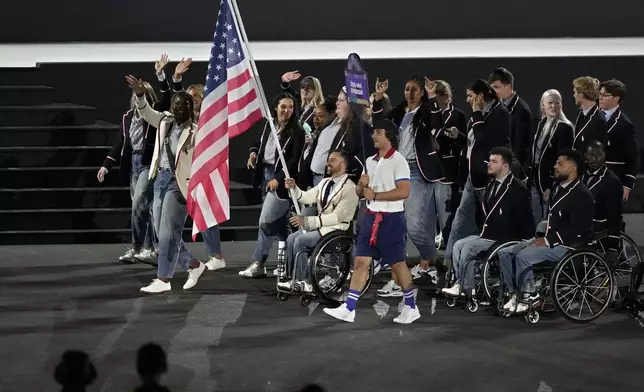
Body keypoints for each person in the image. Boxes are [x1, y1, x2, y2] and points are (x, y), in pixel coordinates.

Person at [323, 120, 419, 324]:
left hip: (391, 221)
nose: (373, 136)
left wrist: (375, 195)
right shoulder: (369, 161)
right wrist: (361, 186)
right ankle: (349, 308)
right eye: (374, 132)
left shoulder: (399, 161)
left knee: (397, 264)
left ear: (389, 137)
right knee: (360, 262)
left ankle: (411, 307)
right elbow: (360, 192)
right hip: (369, 218)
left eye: (378, 132)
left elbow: (404, 192)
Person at [125, 75, 207, 294]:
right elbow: (145, 111)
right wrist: (140, 94)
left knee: (169, 233)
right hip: (159, 180)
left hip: (178, 184)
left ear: (191, 108)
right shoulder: (164, 121)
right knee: (163, 235)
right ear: (172, 107)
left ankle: (163, 278)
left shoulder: (197, 131)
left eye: (186, 105)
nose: (181, 108)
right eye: (177, 105)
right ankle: (194, 265)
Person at [497, 149, 594, 313]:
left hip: (568, 246)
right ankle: (516, 292)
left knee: (523, 257)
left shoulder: (582, 194)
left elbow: (578, 229)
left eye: (560, 163)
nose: (555, 166)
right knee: (505, 253)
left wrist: (548, 240)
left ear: (572, 168)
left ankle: (530, 295)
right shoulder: (558, 188)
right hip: (550, 239)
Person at [371, 75, 444, 277]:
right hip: (397, 170)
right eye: (406, 89)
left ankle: (437, 261)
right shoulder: (400, 112)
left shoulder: (426, 110)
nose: (409, 93)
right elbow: (380, 123)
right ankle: (400, 273)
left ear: (421, 92)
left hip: (417, 171)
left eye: (414, 89)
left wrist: (431, 97)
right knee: (394, 224)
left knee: (413, 226)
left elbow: (437, 123)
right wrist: (378, 97)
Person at [441, 79, 511, 288]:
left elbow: (485, 143)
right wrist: (460, 137)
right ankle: (452, 272)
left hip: (488, 179)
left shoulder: (499, 113)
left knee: (488, 228)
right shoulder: (479, 114)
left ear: (481, 96)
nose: (468, 99)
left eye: (471, 95)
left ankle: (490, 275)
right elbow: (474, 143)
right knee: (459, 224)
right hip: (473, 178)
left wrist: (477, 112)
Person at [442, 147, 534, 297]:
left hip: (505, 238)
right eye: (489, 161)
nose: (489, 164)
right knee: (458, 244)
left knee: (469, 248)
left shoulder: (518, 189)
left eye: (494, 161)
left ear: (505, 166)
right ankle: (461, 282)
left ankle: (467, 287)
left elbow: (527, 219)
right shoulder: (491, 185)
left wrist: (525, 241)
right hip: (488, 233)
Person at [240, 92, 305, 278]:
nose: (287, 111)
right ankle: (287, 263)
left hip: (281, 181)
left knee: (266, 222)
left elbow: (294, 159)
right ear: (276, 107)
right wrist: (253, 152)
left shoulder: (297, 131)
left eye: (291, 107)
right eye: (283, 107)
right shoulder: (269, 124)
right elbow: (259, 143)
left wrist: (279, 178)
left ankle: (258, 262)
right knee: (279, 224)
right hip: (264, 175)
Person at [279, 149, 359, 292]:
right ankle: (293, 279)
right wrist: (294, 188)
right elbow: (305, 197)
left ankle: (304, 281)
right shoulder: (325, 182)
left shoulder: (350, 188)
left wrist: (308, 221)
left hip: (337, 230)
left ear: (343, 164)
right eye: (328, 159)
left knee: (300, 241)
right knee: (291, 239)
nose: (328, 163)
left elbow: (337, 217)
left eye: (332, 160)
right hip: (322, 228)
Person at [526, 89, 574, 224]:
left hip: (550, 181)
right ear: (543, 106)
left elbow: (563, 160)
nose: (554, 106)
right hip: (534, 180)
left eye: (557, 103)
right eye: (550, 103)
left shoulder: (564, 127)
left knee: (548, 221)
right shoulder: (539, 124)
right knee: (535, 219)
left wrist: (552, 185)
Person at [598, 79, 640, 201]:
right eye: (600, 94)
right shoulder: (592, 117)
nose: (600, 98)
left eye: (605, 95)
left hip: (613, 179)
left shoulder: (625, 124)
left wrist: (627, 185)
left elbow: (634, 157)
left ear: (616, 98)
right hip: (590, 178)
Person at [583, 141, 622, 259]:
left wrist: (613, 247)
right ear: (585, 156)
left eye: (598, 155)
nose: (594, 159)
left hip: (598, 229)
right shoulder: (581, 175)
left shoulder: (612, 181)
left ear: (604, 155)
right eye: (590, 155)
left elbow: (615, 215)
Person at [488, 67, 533, 168]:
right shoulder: (499, 107)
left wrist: (512, 171)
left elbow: (520, 147)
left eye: (496, 87)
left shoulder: (521, 111)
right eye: (492, 88)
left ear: (508, 86)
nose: (493, 91)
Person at [572, 76, 607, 152]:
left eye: (575, 92)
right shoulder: (580, 114)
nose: (573, 95)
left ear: (581, 95)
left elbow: (597, 153)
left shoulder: (599, 120)